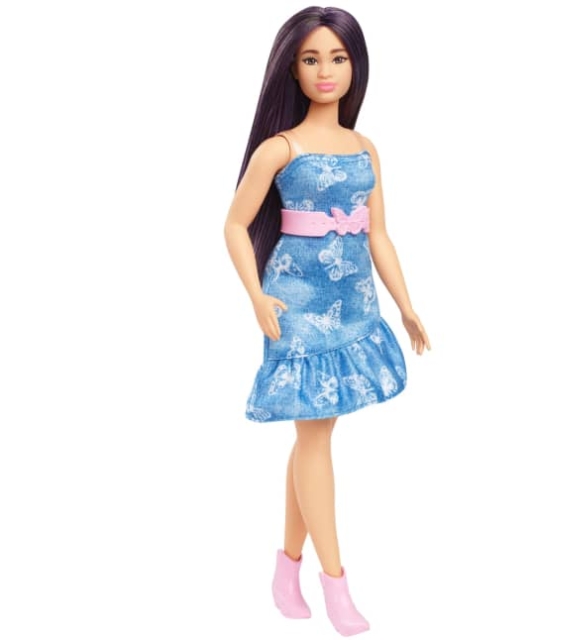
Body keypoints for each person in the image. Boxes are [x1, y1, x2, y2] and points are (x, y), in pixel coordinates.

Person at [223, 6, 430, 636]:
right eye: (311, 58)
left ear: (355, 66)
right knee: (315, 438)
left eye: (337, 58)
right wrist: (256, 296)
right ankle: (335, 584)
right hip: (296, 304)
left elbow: (379, 234)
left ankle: (286, 570)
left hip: (354, 301)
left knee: (313, 436)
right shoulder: (280, 149)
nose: (325, 70)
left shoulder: (365, 149)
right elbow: (235, 224)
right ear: (292, 67)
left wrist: (406, 304)